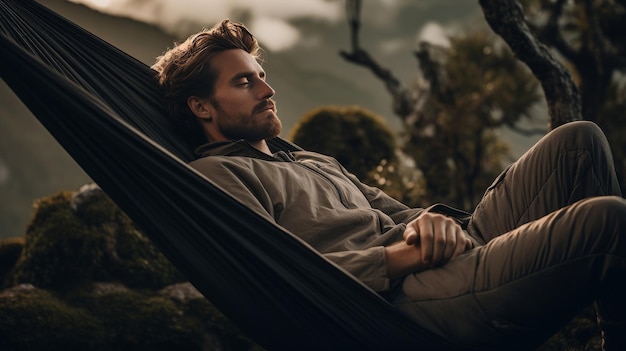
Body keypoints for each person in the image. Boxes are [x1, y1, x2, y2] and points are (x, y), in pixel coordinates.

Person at [152, 19, 626, 350]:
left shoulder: (309, 159)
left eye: (262, 76)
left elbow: (402, 214)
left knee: (579, 141)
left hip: (440, 257)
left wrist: (428, 226)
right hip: (400, 301)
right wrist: (407, 255)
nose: (266, 89)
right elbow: (278, 277)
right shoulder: (218, 176)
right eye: (243, 83)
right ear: (201, 108)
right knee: (607, 220)